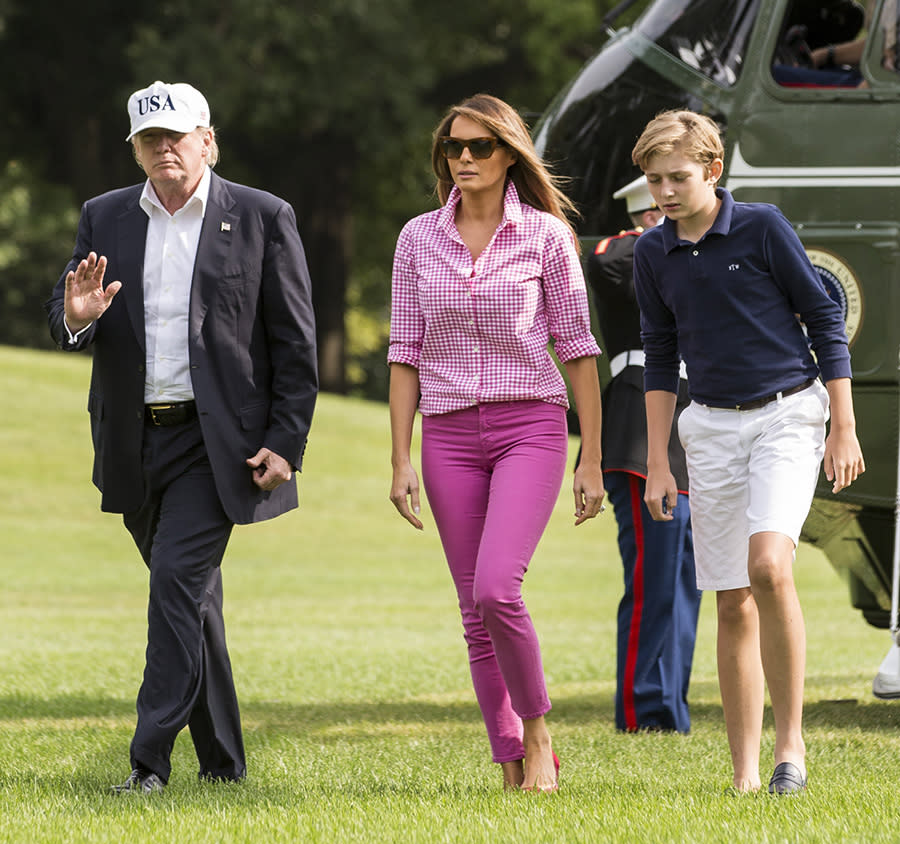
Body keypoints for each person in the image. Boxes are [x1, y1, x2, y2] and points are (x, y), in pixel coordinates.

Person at [45, 80, 318, 794]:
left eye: (177, 134)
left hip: (215, 445)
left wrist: (287, 441)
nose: (163, 147)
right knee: (190, 602)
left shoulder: (261, 216)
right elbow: (68, 311)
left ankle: (147, 764)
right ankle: (223, 762)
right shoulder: (103, 216)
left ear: (207, 139)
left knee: (173, 585)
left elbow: (294, 343)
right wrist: (76, 317)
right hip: (134, 442)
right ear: (135, 147)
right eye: (149, 138)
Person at [630, 110, 865, 795]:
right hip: (709, 427)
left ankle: (790, 748)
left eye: (676, 177)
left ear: (712, 169)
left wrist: (843, 426)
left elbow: (824, 318)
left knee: (769, 566)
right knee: (731, 600)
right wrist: (657, 460)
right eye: (653, 181)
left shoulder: (762, 227)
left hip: (788, 414)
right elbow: (660, 355)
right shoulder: (652, 253)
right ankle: (744, 775)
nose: (664, 193)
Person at [387, 93, 604, 793]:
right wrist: (399, 459)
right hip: (446, 433)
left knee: (495, 589)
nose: (466, 159)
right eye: (455, 147)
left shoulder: (545, 238)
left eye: (481, 146)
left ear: (510, 154)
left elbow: (577, 349)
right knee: (471, 611)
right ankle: (508, 761)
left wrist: (590, 456)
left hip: (529, 428)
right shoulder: (417, 238)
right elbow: (404, 353)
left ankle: (537, 735)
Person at [586, 175, 701, 734]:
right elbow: (604, 262)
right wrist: (661, 231)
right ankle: (642, 709)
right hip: (637, 430)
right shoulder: (625, 253)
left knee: (687, 579)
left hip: (695, 425)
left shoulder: (690, 261)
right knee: (653, 575)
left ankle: (671, 708)